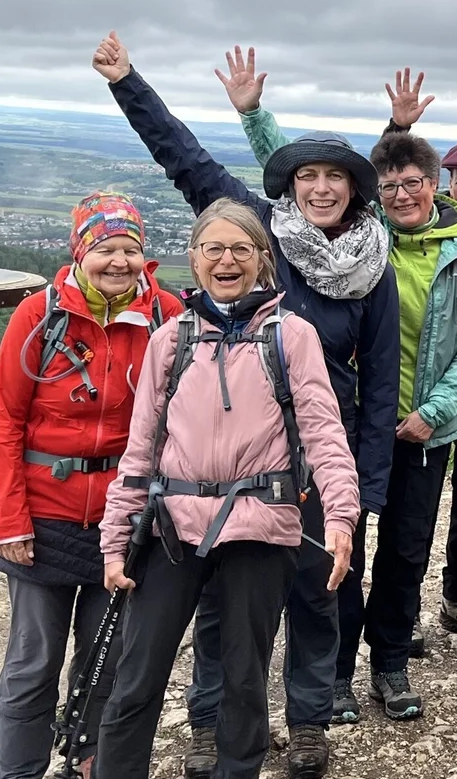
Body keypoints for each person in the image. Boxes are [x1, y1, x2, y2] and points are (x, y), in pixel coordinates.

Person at [93, 36, 398, 778]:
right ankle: (209, 728)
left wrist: (362, 494)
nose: (321, 188)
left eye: (335, 178)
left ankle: (309, 718)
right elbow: (184, 158)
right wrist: (128, 82)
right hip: (221, 462)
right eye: (308, 177)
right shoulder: (261, 233)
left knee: (314, 600)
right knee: (221, 612)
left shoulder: (371, 265)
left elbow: (380, 384)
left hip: (312, 461)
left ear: (355, 192)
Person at [227, 64, 457, 720]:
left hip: (427, 431)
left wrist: (434, 413)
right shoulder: (360, 244)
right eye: (393, 185)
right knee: (340, 549)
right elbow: (309, 177)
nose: (402, 194)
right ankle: (339, 666)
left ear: (435, 187)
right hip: (352, 423)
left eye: (415, 183)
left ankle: (393, 662)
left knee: (405, 552)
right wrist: (257, 116)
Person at [94, 199, 360, 779]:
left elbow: (324, 435)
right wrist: (115, 539)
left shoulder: (293, 336)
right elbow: (141, 450)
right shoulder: (171, 340)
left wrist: (340, 518)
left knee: (244, 679)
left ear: (263, 260)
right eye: (212, 248)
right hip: (171, 525)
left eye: (241, 248)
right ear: (193, 259)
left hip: (261, 526)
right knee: (136, 676)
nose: (226, 260)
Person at [0, 193, 183, 779]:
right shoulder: (39, 316)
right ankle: (16, 770)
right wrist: (9, 522)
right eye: (104, 248)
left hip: (123, 518)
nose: (118, 261)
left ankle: (89, 763)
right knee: (33, 660)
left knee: (108, 659)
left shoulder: (165, 315)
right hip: (43, 515)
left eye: (129, 249)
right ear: (80, 251)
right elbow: (4, 422)